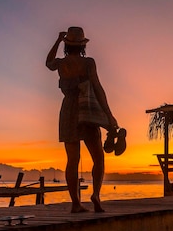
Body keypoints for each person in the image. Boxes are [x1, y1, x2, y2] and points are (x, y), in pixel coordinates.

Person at [46, 26, 124, 213]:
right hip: (86, 109)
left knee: (72, 159)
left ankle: (75, 203)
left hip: (68, 110)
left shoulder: (61, 64)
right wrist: (108, 114)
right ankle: (96, 194)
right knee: (98, 157)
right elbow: (97, 87)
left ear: (66, 45)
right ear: (82, 46)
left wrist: (57, 40)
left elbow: (48, 62)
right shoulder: (88, 63)